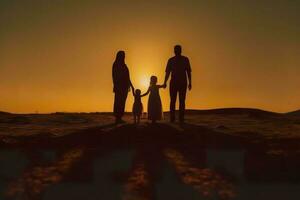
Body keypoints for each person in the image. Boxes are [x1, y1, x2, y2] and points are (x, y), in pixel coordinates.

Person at [163, 45, 192, 123]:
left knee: (182, 101)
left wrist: (190, 82)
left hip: (183, 82)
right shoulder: (171, 60)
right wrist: (165, 82)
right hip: (173, 82)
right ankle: (172, 118)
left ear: (180, 50)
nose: (177, 51)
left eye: (178, 50)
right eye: (175, 50)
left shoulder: (185, 59)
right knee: (173, 101)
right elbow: (168, 72)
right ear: (174, 51)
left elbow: (188, 71)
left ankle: (181, 119)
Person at [112, 50, 134, 124]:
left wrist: (131, 85)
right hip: (119, 87)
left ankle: (120, 117)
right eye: (122, 55)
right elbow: (115, 77)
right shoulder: (116, 64)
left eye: (124, 55)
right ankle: (117, 118)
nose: (123, 57)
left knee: (122, 102)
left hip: (125, 87)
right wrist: (117, 85)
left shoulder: (124, 65)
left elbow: (128, 77)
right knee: (118, 102)